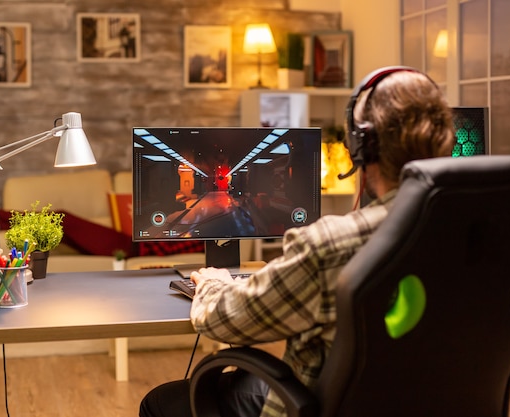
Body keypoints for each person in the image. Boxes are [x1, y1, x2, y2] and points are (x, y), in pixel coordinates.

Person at [139, 66, 455, 417]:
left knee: (160, 403)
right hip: (431, 400)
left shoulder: (330, 245)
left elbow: (229, 321)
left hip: (321, 406)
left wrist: (214, 284)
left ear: (361, 146)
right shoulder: (475, 233)